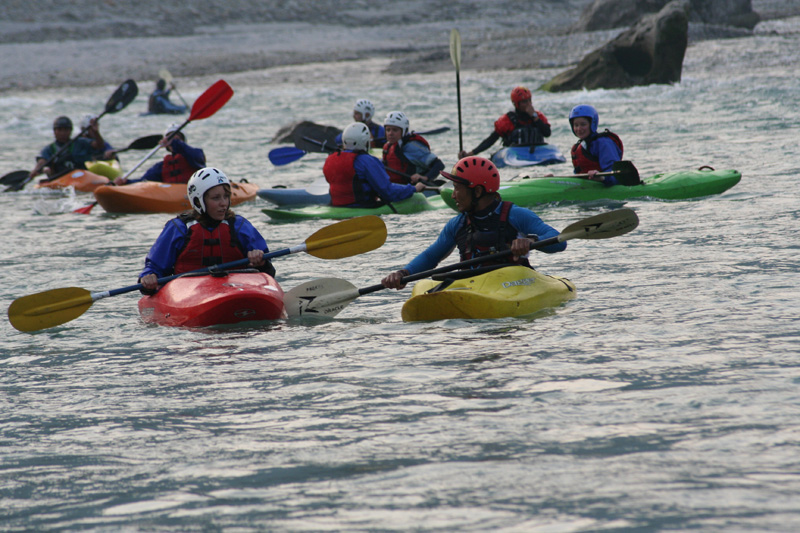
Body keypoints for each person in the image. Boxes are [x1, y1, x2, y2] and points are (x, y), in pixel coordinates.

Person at [382, 156, 566, 289]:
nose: (453, 195)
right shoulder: (457, 224)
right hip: (474, 286)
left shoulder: (515, 215)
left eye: (457, 189)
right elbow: (431, 257)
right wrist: (403, 274)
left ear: (477, 192)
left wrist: (531, 241)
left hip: (512, 284)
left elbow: (559, 241)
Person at [138, 167, 275, 294]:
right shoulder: (179, 228)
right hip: (189, 294)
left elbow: (268, 272)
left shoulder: (239, 226)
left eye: (226, 196)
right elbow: (155, 267)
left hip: (237, 289)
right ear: (198, 201)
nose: (223, 203)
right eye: (216, 198)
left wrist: (260, 261)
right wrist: (149, 278)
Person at [323, 122, 426, 207]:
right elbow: (388, 192)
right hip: (363, 207)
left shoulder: (330, 159)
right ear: (364, 141)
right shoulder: (367, 161)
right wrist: (413, 189)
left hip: (335, 206)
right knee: (417, 198)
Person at [458, 86, 552, 159]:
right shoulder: (507, 120)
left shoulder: (538, 116)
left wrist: (534, 117)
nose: (528, 104)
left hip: (537, 152)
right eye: (524, 102)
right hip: (514, 154)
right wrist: (471, 153)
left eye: (529, 100)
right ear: (516, 104)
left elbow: (547, 133)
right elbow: (491, 140)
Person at [114, 124, 205, 185]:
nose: (173, 141)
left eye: (177, 139)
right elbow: (144, 182)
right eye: (171, 138)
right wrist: (126, 182)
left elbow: (195, 155)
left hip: (188, 192)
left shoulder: (196, 156)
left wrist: (175, 143)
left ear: (183, 142)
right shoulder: (161, 166)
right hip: (170, 194)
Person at [30, 116, 105, 179]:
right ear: (54, 131)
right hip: (60, 178)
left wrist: (96, 132)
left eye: (66, 130)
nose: (63, 133)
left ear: (71, 130)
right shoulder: (49, 149)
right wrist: (36, 170)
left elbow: (99, 145)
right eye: (59, 130)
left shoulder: (81, 142)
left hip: (82, 177)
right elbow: (42, 161)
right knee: (47, 169)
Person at [382, 111, 445, 185]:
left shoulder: (411, 147)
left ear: (403, 131)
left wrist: (425, 177)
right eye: (388, 130)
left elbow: (439, 165)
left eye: (395, 130)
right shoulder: (387, 147)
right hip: (396, 188)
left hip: (415, 189)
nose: (390, 133)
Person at [569, 104, 623, 186]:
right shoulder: (577, 148)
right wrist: (552, 180)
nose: (579, 129)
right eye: (576, 125)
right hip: (590, 187)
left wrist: (602, 178)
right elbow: (578, 176)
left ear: (592, 124)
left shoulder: (603, 143)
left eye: (583, 124)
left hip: (609, 186)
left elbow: (615, 174)